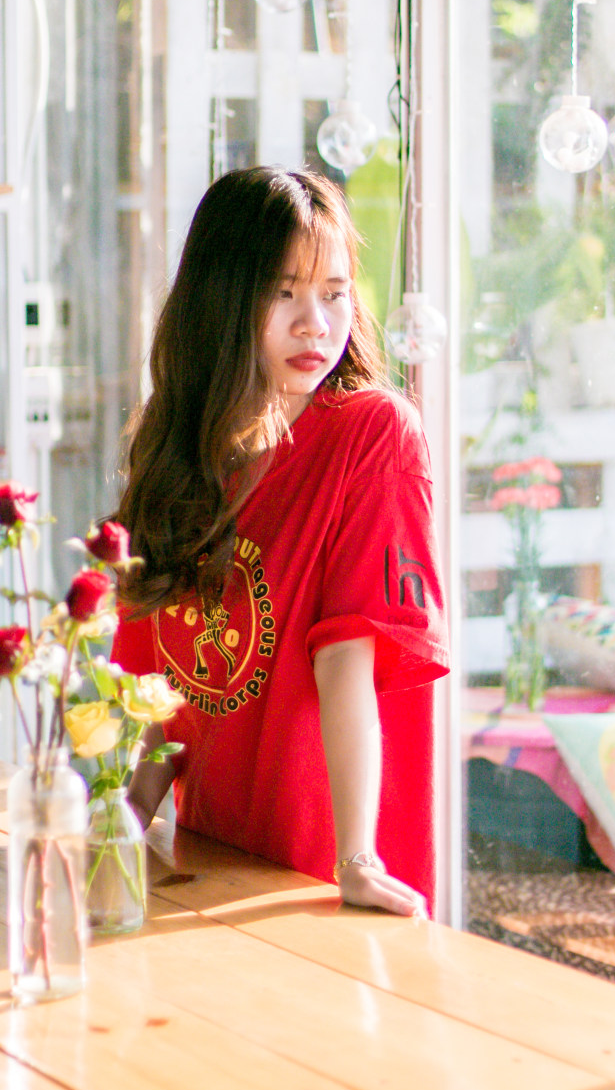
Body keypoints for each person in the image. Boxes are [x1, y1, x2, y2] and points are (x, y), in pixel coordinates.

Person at [111, 167, 449, 917]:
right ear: (222, 299)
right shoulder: (185, 456)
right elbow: (164, 688)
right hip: (219, 853)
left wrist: (355, 857)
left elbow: (346, 656)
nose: (314, 324)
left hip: (322, 874)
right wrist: (122, 822)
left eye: (333, 292)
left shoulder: (373, 433)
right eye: (282, 290)